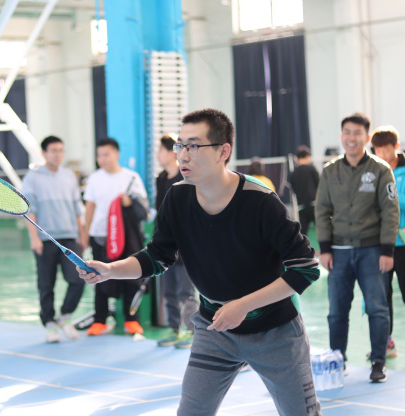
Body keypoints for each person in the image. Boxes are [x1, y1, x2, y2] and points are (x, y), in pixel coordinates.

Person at [78, 109, 322, 416]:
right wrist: (109, 270)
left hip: (275, 331)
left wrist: (243, 305)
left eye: (193, 146)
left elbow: (306, 267)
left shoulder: (260, 201)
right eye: (180, 145)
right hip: (214, 327)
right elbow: (157, 257)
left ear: (223, 151)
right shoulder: (177, 198)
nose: (182, 155)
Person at [316, 113, 398, 383]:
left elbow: (390, 211)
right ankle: (337, 360)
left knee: (377, 308)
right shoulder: (330, 171)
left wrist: (387, 250)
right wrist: (324, 248)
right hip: (338, 252)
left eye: (357, 133)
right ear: (342, 136)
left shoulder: (380, 170)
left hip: (372, 251)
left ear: (366, 137)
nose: (352, 138)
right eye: (347, 133)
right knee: (336, 311)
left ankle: (378, 362)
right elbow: (322, 210)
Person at [22, 135, 86, 343]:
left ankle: (64, 317)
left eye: (61, 150)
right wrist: (34, 238)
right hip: (45, 239)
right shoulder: (33, 178)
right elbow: (29, 210)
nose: (58, 155)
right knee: (46, 284)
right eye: (53, 151)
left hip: (69, 238)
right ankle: (49, 323)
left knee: (77, 280)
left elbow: (77, 209)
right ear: (44, 153)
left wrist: (82, 235)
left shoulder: (69, 176)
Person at [83, 138, 148, 336]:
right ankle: (99, 321)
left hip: (126, 238)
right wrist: (85, 234)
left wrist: (129, 202)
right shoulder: (94, 178)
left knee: (130, 278)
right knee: (98, 278)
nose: (102, 159)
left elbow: (143, 208)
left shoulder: (131, 178)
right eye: (99, 155)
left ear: (117, 154)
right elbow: (90, 207)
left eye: (106, 154)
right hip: (100, 237)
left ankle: (131, 320)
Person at [155, 134, 197, 349]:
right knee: (168, 292)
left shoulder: (186, 177)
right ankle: (173, 330)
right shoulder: (161, 178)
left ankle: (191, 331)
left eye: (161, 150)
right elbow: (160, 212)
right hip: (166, 246)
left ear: (172, 153)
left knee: (186, 292)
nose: (157, 155)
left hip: (185, 247)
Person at [370, 125, 404, 358]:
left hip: (402, 244)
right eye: (377, 149)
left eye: (386, 148)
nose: (382, 153)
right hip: (379, 244)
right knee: (381, 296)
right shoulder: (372, 172)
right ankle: (386, 343)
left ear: (396, 146)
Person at [289, 145, 320, 237]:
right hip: (314, 205)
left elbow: (293, 190)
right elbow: (319, 185)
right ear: (307, 156)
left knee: (303, 236)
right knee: (322, 232)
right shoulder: (312, 169)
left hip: (301, 207)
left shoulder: (293, 174)